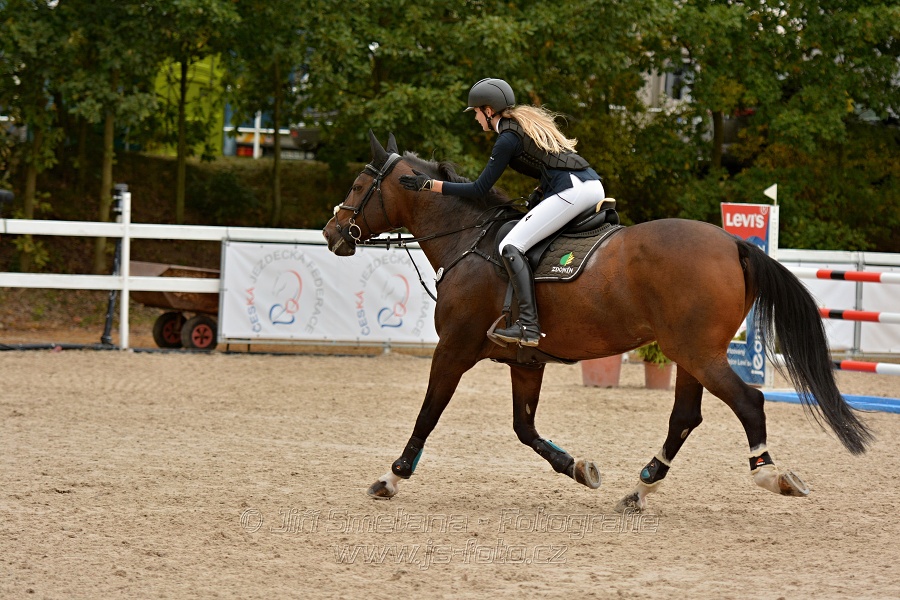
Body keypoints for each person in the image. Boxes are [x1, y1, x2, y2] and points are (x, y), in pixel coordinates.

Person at [399, 77, 605, 347]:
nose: (475, 119)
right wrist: (540, 192)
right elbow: (549, 164)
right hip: (590, 185)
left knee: (510, 245)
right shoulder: (519, 127)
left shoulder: (507, 137)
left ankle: (529, 326)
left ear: (488, 110)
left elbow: (480, 188)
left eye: (475, 112)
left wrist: (430, 185)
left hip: (572, 190)